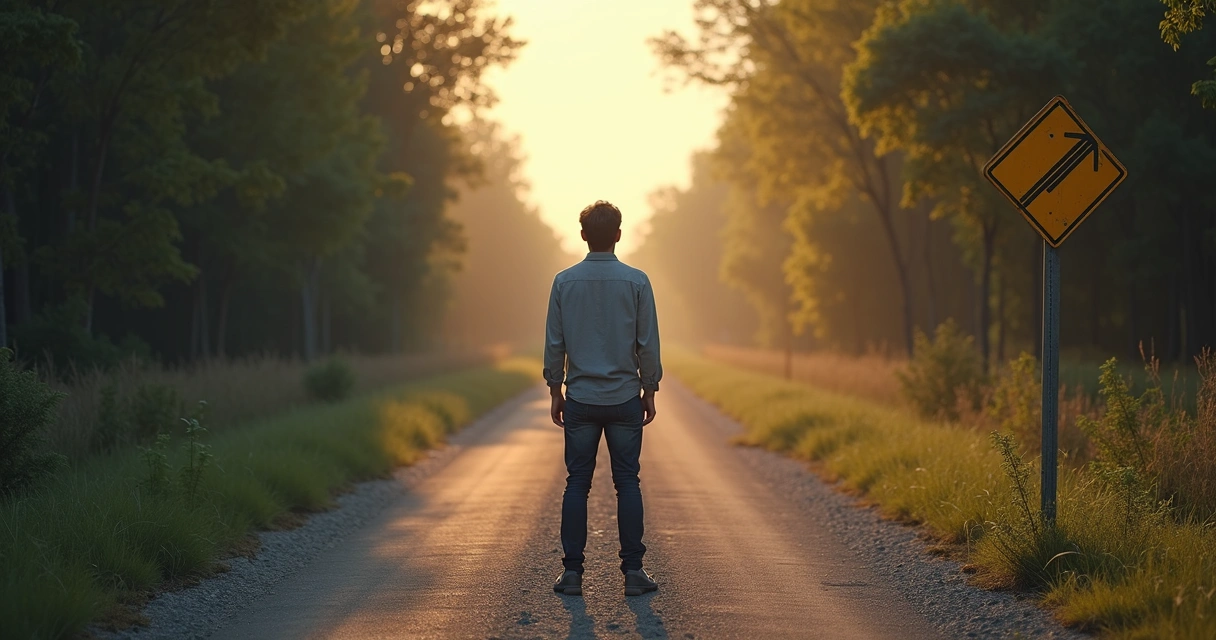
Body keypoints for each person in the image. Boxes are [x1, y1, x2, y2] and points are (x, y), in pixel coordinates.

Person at [544, 200, 662, 598]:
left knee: (577, 483)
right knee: (627, 482)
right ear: (618, 234)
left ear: (582, 236)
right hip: (625, 397)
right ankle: (633, 573)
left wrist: (555, 389)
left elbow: (554, 343)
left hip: (580, 397)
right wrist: (649, 388)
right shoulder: (638, 281)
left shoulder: (563, 282)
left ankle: (573, 575)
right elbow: (647, 343)